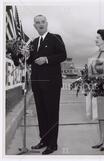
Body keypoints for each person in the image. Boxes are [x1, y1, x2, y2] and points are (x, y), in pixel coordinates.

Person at [27, 15, 67, 155]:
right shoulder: (33, 42)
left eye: (42, 22)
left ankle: (52, 144)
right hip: (37, 84)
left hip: (52, 84)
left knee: (51, 113)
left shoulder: (55, 38)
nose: (40, 24)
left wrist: (47, 59)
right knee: (41, 113)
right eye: (37, 23)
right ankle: (44, 140)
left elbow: (63, 55)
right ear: (34, 26)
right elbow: (29, 60)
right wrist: (21, 55)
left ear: (47, 23)